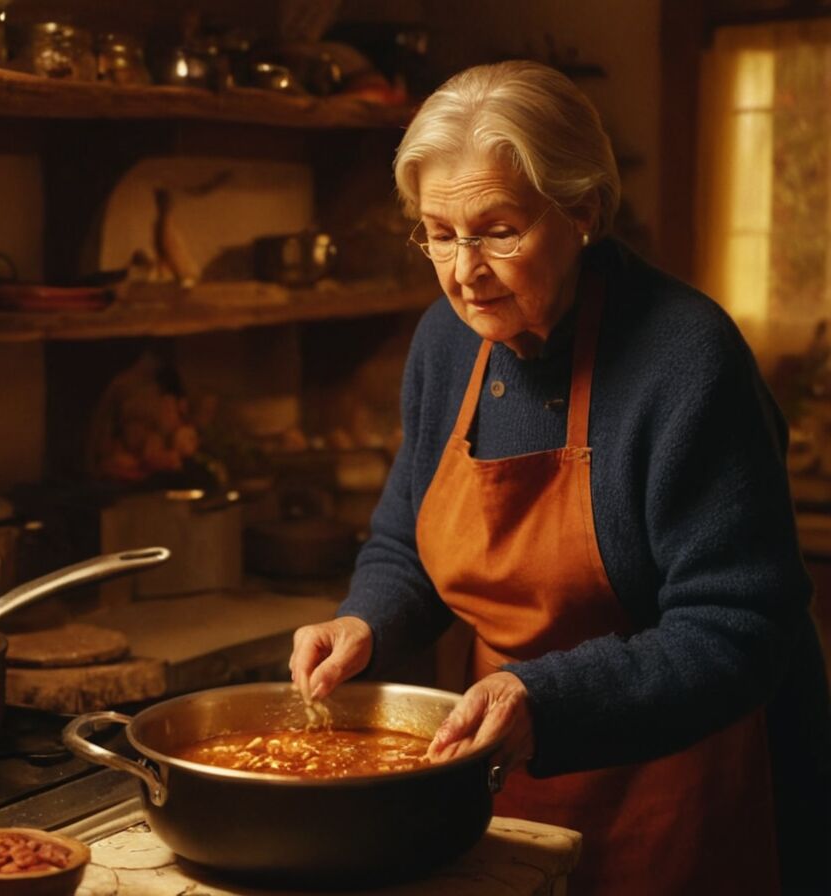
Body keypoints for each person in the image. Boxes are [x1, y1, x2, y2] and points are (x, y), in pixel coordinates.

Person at [289, 59, 831, 895]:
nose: (464, 271)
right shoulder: (444, 342)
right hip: (499, 767)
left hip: (680, 784)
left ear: (582, 211)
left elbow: (740, 627)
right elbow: (405, 540)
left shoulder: (688, 359)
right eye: (438, 233)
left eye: (497, 230)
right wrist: (367, 622)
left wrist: (544, 698)